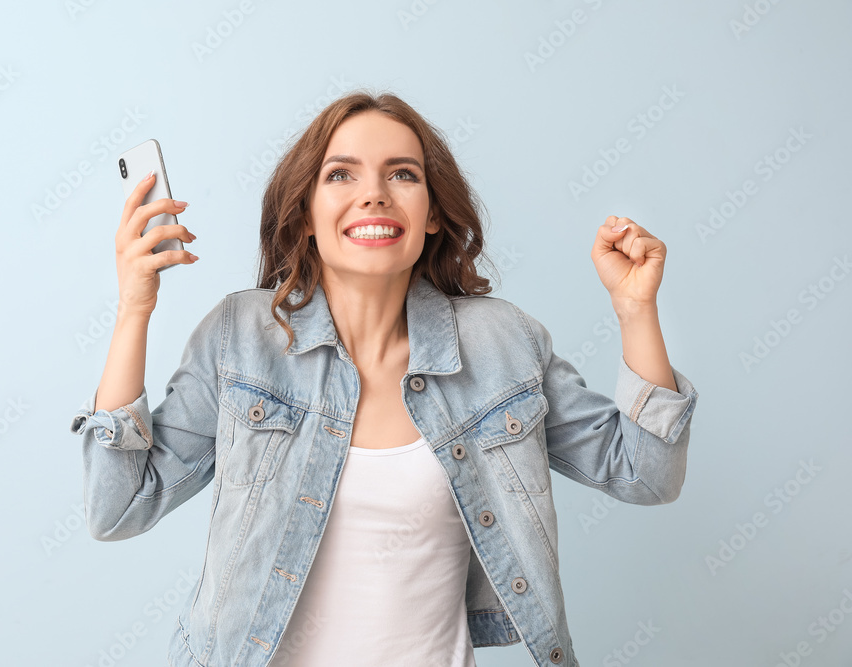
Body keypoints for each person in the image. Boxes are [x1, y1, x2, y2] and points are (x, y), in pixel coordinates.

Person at [70, 90, 699, 667]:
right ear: (307, 216)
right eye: (341, 174)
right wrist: (134, 310)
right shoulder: (241, 337)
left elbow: (645, 473)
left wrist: (635, 310)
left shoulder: (503, 343)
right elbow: (118, 506)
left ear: (430, 214)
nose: (374, 194)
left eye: (403, 174)